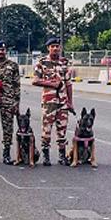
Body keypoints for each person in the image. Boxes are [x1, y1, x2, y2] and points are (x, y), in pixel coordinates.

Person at [31, 37, 73, 166]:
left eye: (57, 46)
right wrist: (51, 84)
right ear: (48, 48)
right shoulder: (42, 63)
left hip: (63, 101)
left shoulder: (64, 62)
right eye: (52, 46)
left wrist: (70, 102)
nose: (55, 48)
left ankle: (62, 155)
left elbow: (68, 84)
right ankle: (46, 155)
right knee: (47, 130)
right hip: (49, 102)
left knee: (62, 129)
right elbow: (35, 80)